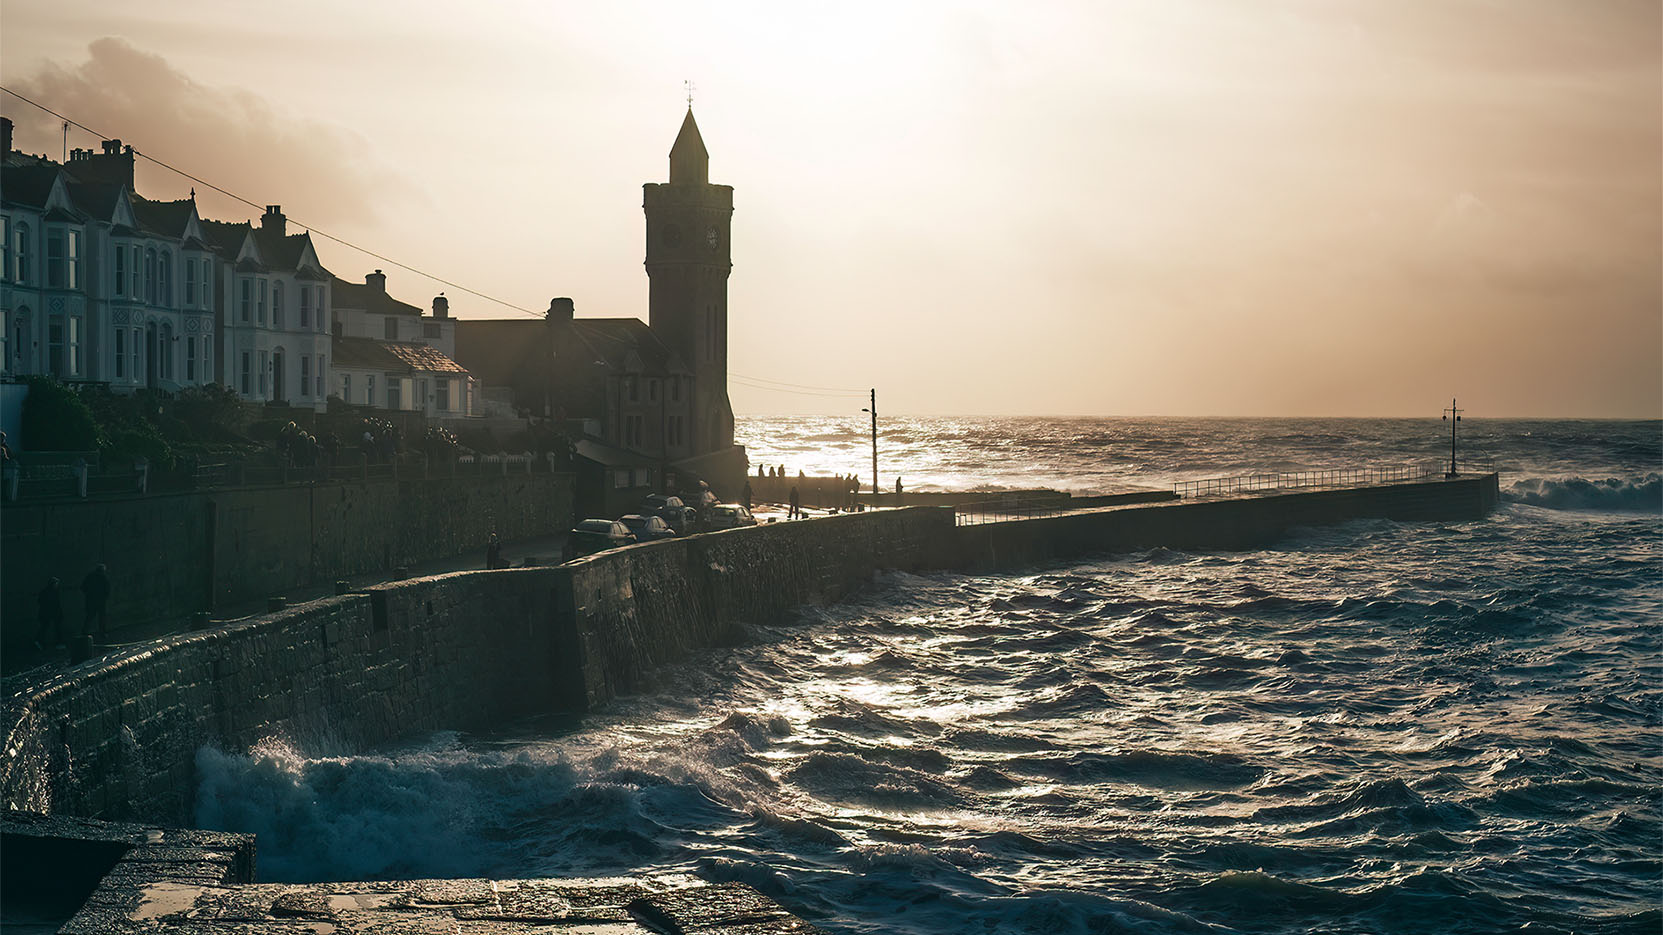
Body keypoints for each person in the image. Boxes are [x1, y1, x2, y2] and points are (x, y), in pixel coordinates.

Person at [81, 563, 111, 641]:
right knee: (102, 618)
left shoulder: (90, 576)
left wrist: (89, 594)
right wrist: (104, 597)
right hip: (101, 601)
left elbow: (83, 587)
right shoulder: (103, 577)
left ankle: (85, 632)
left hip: (91, 600)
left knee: (89, 617)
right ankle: (102, 633)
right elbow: (107, 589)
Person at [33, 577, 65, 650]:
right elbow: (56, 604)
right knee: (56, 628)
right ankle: (58, 643)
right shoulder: (54, 592)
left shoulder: (45, 591)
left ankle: (38, 641)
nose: (57, 585)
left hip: (45, 613)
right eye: (56, 584)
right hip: (51, 613)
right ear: (53, 584)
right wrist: (59, 613)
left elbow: (39, 602)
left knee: (45, 628)